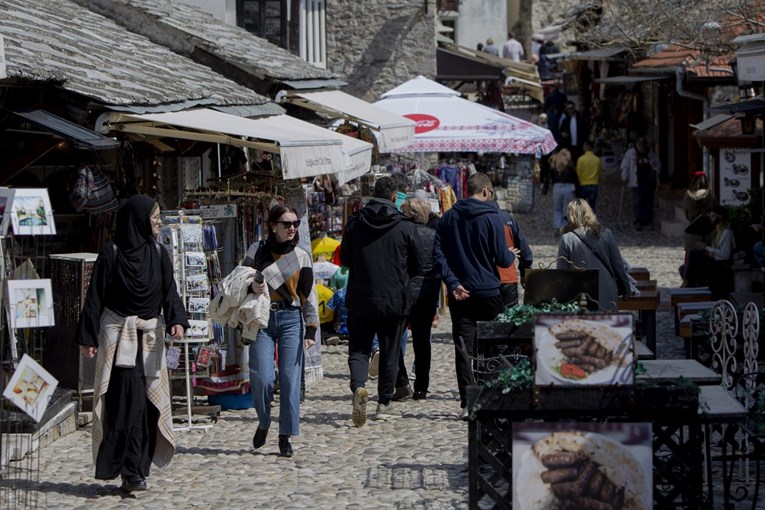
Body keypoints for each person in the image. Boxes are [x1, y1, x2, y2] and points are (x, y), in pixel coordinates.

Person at [77, 195, 189, 493]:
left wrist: (177, 319)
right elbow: (95, 298)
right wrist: (88, 337)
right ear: (137, 220)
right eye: (154, 217)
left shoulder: (158, 253)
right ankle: (129, 470)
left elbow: (170, 292)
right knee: (129, 404)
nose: (158, 222)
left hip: (149, 341)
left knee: (149, 406)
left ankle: (136, 469)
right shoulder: (112, 254)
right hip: (120, 339)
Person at [340, 177, 423, 426]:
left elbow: (344, 259)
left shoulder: (355, 222)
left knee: (359, 348)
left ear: (372, 194)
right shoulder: (405, 226)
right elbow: (418, 264)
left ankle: (359, 387)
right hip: (393, 299)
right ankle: (383, 403)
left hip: (361, 297)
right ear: (394, 196)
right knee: (390, 350)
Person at [433, 172, 517, 420]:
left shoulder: (448, 217)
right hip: (489, 289)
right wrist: (512, 255)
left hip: (461, 292)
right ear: (486, 191)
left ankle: (468, 402)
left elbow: (438, 255)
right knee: (496, 344)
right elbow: (502, 258)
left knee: (463, 348)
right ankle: (494, 395)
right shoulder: (492, 217)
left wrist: (453, 282)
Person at [241, 204, 319, 458]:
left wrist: (311, 329)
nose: (292, 228)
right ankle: (264, 420)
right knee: (262, 377)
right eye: (287, 224)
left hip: (291, 319)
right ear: (273, 226)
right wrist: (251, 285)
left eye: (295, 223)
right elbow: (239, 282)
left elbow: (308, 296)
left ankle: (285, 435)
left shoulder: (302, 256)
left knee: (289, 379)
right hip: (261, 319)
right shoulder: (256, 251)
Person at [393, 198, 442, 401]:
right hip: (428, 292)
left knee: (394, 338)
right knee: (423, 341)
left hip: (404, 292)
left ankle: (402, 381)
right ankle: (422, 386)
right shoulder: (434, 234)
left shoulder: (402, 234)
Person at [557, 199, 631, 312]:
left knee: (585, 328)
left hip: (580, 293)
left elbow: (561, 272)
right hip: (606, 289)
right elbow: (618, 266)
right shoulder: (607, 234)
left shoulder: (567, 239)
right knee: (608, 327)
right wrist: (627, 290)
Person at [696, 205, 736, 300]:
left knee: (694, 260)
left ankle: (688, 282)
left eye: (713, 216)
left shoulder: (727, 233)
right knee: (693, 255)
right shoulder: (716, 232)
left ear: (720, 217)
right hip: (714, 262)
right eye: (710, 216)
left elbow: (725, 255)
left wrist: (706, 247)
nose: (710, 218)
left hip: (722, 266)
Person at [621, 137, 660, 230]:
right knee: (638, 202)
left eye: (642, 144)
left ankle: (647, 221)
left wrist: (655, 171)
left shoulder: (650, 154)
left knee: (649, 202)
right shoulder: (631, 153)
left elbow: (657, 164)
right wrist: (624, 176)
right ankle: (638, 221)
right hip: (636, 182)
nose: (641, 146)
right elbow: (625, 165)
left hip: (649, 182)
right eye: (639, 144)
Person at [497, 207, 533, 307]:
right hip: (507, 277)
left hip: (483, 279)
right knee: (509, 318)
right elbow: (523, 249)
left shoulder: (472, 219)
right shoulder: (507, 218)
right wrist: (525, 272)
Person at [549, 149, 578, 232]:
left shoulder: (554, 164)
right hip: (568, 187)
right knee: (567, 208)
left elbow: (551, 177)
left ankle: (558, 226)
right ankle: (565, 226)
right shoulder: (570, 164)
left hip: (557, 187)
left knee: (557, 208)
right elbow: (575, 177)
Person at [576, 141, 601, 210]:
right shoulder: (597, 159)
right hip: (594, 183)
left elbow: (578, 172)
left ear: (586, 147)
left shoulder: (581, 159)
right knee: (592, 205)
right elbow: (599, 172)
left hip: (583, 184)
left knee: (581, 206)